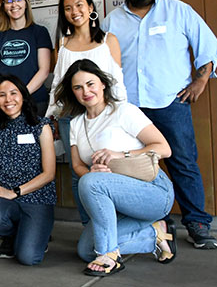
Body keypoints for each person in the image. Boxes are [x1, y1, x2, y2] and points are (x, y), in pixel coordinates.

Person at [102, 0, 217, 249]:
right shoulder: (111, 20)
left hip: (170, 102)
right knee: (131, 165)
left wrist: (200, 81)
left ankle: (198, 224)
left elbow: (208, 45)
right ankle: (147, 223)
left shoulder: (178, 11)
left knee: (182, 162)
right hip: (129, 108)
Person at [55, 59, 176, 276]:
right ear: (72, 92)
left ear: (102, 83)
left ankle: (109, 257)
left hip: (153, 192)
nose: (86, 91)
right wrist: (91, 172)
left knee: (92, 189)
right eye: (78, 87)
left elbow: (164, 148)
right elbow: (78, 166)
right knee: (85, 250)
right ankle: (154, 234)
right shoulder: (75, 123)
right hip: (115, 199)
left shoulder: (123, 111)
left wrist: (121, 155)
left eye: (91, 84)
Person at [46, 0, 126, 224]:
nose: (74, 11)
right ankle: (89, 226)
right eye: (68, 8)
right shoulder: (63, 43)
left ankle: (113, 225)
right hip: (70, 117)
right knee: (77, 172)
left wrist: (122, 115)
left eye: (79, 5)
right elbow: (58, 83)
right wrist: (52, 114)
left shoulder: (107, 40)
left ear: (90, 7)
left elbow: (117, 82)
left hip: (104, 116)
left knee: (108, 168)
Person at [0, 75, 56, 265]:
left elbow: (49, 173)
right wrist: (4, 187)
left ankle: (37, 235)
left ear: (23, 95)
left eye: (14, 93)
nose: (8, 100)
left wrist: (15, 192)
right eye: (2, 95)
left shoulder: (41, 126)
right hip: (5, 197)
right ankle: (13, 234)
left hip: (37, 198)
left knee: (28, 258)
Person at [0, 0, 52, 113]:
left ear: (26, 3)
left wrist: (21, 95)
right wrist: (6, 98)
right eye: (9, 1)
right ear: (4, 7)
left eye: (18, 0)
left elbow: (44, 70)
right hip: (7, 106)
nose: (14, 5)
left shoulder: (39, 32)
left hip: (35, 101)